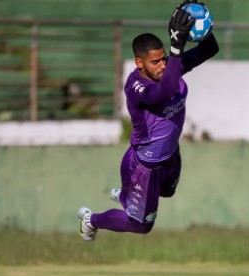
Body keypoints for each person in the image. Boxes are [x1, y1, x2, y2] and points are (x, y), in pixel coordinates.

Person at [76, 0, 219, 241]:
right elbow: (163, 91)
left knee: (168, 192)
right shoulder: (136, 86)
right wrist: (176, 50)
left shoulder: (167, 69)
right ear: (139, 63)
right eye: (155, 62)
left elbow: (211, 48)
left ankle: (126, 196)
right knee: (141, 226)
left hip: (171, 155)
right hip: (144, 166)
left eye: (164, 59)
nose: (163, 65)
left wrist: (198, 23)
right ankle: (91, 220)